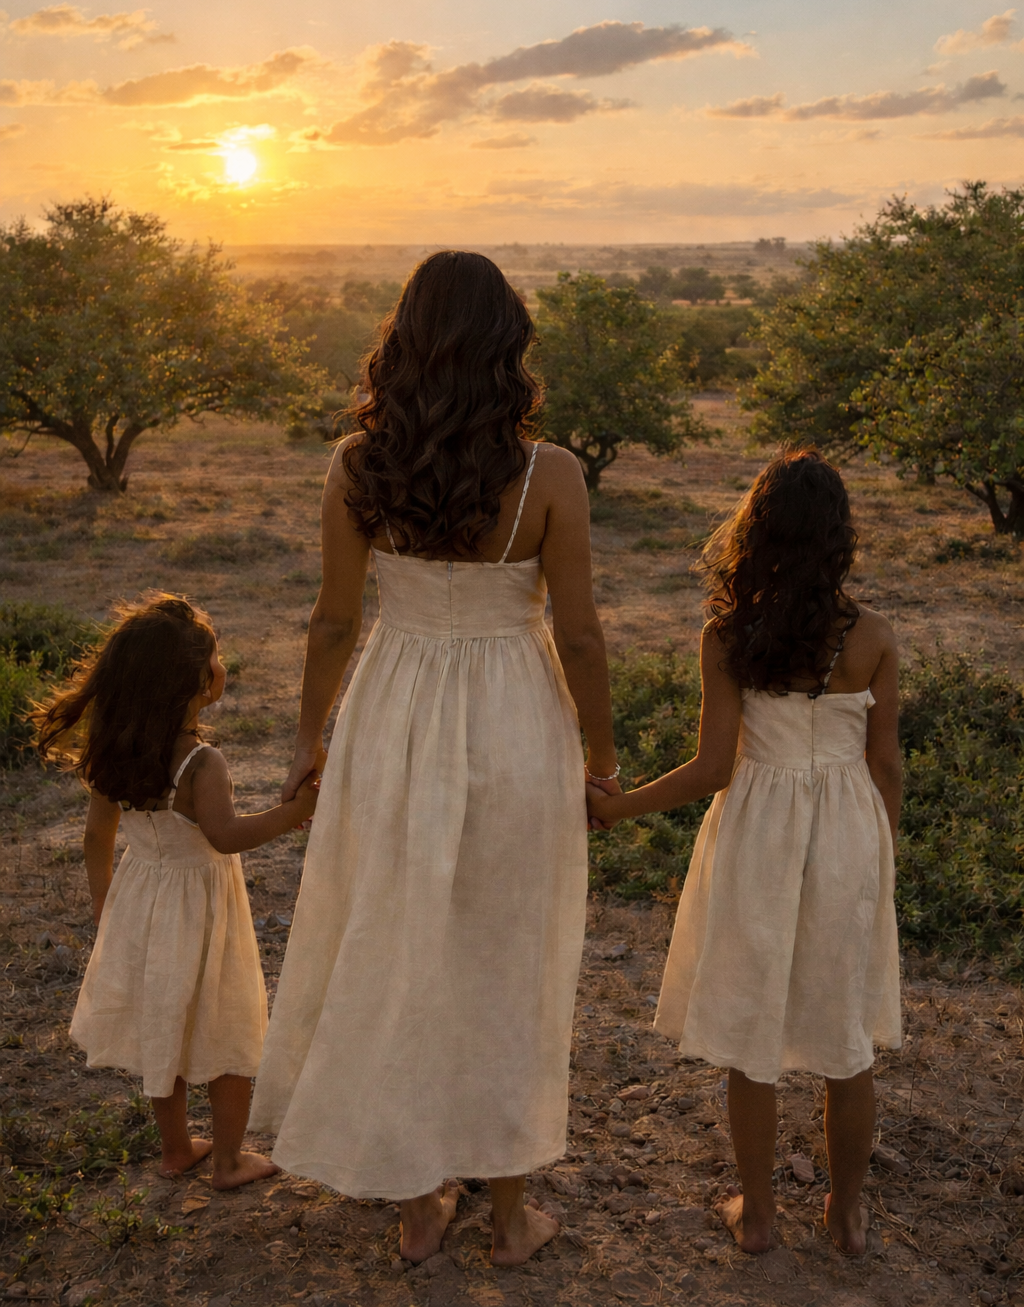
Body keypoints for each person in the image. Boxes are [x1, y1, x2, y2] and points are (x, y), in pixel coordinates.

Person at [249, 251, 620, 1267]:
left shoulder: (357, 464)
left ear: (402, 340)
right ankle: (508, 1218)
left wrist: (306, 738)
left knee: (402, 941)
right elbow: (581, 635)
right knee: (505, 956)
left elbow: (332, 621)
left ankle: (419, 1200)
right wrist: (603, 754)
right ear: (510, 345)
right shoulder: (550, 474)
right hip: (511, 714)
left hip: (395, 710)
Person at [586, 450, 902, 1256]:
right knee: (845, 1035)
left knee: (752, 1026)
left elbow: (713, 766)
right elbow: (887, 763)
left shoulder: (729, 634)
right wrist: (881, 850)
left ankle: (758, 1214)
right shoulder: (870, 637)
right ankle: (847, 1214)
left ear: (754, 533)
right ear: (839, 537)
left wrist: (619, 808)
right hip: (846, 830)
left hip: (758, 827)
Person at [36, 593, 320, 1190]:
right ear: (196, 681)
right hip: (202, 908)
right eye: (216, 656)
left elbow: (95, 837)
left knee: (161, 1023)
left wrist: (105, 906)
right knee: (226, 1025)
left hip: (139, 901)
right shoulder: (200, 762)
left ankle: (174, 1149)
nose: (222, 664)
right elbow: (224, 836)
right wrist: (296, 810)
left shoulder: (115, 748)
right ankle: (227, 1159)